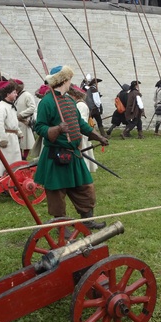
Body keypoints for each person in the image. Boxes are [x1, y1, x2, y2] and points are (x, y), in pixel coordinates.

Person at [33, 65, 108, 229]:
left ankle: (87, 221)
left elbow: (80, 123)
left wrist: (97, 136)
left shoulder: (68, 100)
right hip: (55, 156)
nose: (70, 83)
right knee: (57, 194)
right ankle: (62, 228)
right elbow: (39, 127)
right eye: (69, 79)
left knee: (85, 187)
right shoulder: (46, 102)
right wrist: (58, 129)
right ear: (64, 80)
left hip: (74, 155)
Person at [68, 84, 97, 173]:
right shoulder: (76, 104)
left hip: (81, 135)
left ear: (74, 95)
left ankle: (84, 173)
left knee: (83, 157)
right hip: (77, 134)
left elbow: (82, 121)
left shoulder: (81, 105)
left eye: (70, 95)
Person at [14, 79, 36, 160]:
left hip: (24, 121)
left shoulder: (27, 95)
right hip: (17, 122)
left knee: (26, 142)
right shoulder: (17, 95)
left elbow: (32, 107)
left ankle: (24, 158)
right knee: (18, 143)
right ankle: (18, 158)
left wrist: (21, 114)